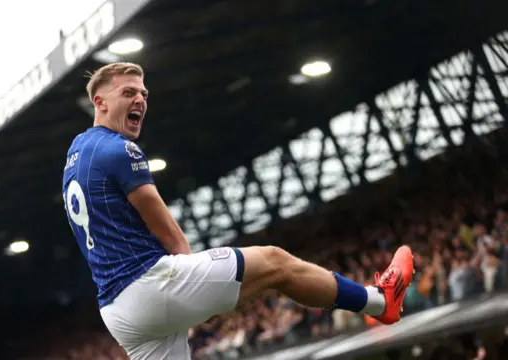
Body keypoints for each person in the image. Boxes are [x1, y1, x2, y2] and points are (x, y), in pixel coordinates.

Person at [62, 62, 414, 359]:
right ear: (100, 102)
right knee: (276, 262)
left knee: (264, 279)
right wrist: (195, 284)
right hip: (149, 288)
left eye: (143, 94)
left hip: (116, 311)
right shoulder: (121, 150)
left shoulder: (75, 153)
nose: (140, 99)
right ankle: (380, 302)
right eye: (128, 93)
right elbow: (169, 234)